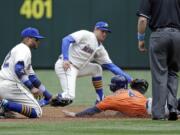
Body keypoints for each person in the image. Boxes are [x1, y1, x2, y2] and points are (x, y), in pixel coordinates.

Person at [51, 21, 133, 107]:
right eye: (102, 31)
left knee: (97, 69)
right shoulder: (86, 34)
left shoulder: (100, 49)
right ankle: (46, 99)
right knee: (69, 97)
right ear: (96, 29)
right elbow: (66, 40)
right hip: (65, 66)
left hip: (77, 69)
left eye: (106, 32)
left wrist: (130, 80)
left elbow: (111, 66)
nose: (104, 34)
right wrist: (66, 59)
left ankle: (100, 98)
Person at [137, 0, 180, 120]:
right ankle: (172, 108)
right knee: (173, 73)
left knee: (159, 75)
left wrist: (140, 39)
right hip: (177, 35)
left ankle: (159, 113)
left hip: (159, 35)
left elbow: (142, 19)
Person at [0, 27, 52, 118]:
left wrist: (48, 96)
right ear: (28, 39)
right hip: (11, 86)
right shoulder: (24, 49)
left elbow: (32, 78)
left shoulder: (18, 49)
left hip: (3, 85)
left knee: (18, 107)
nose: (38, 41)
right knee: (37, 112)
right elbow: (18, 69)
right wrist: (31, 88)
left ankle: (4, 109)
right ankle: (4, 103)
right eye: (36, 39)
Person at [62, 75, 151, 118]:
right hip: (153, 103)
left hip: (151, 111)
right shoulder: (133, 91)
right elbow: (129, 106)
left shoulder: (111, 99)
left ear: (114, 86)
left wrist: (75, 114)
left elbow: (92, 110)